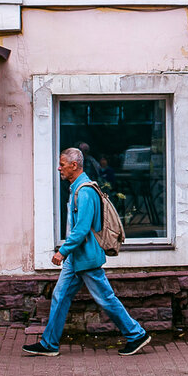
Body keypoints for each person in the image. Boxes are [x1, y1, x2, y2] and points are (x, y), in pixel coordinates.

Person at [22, 147, 150, 357]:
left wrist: (62, 251)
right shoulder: (77, 188)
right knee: (60, 296)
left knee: (105, 299)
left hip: (86, 258)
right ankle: (49, 343)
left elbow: (81, 229)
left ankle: (136, 334)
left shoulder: (85, 191)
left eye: (62, 164)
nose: (59, 168)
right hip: (76, 258)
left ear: (74, 165)